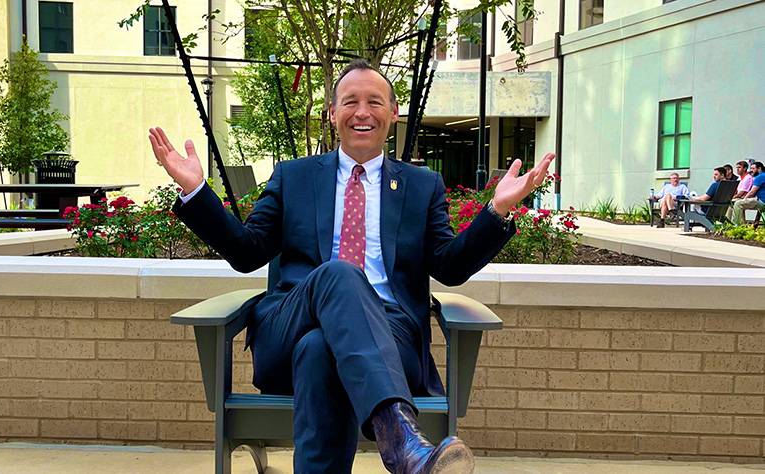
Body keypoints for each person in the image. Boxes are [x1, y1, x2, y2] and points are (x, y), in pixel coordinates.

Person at [148, 59, 554, 473]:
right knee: (339, 275)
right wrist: (196, 191)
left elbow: (449, 267)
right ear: (332, 113)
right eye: (350, 102)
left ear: (393, 113)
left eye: (375, 102)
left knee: (320, 351)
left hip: (387, 336)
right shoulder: (295, 177)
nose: (362, 112)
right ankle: (401, 439)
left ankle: (399, 441)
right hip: (292, 326)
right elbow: (247, 252)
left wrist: (497, 210)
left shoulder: (421, 185)